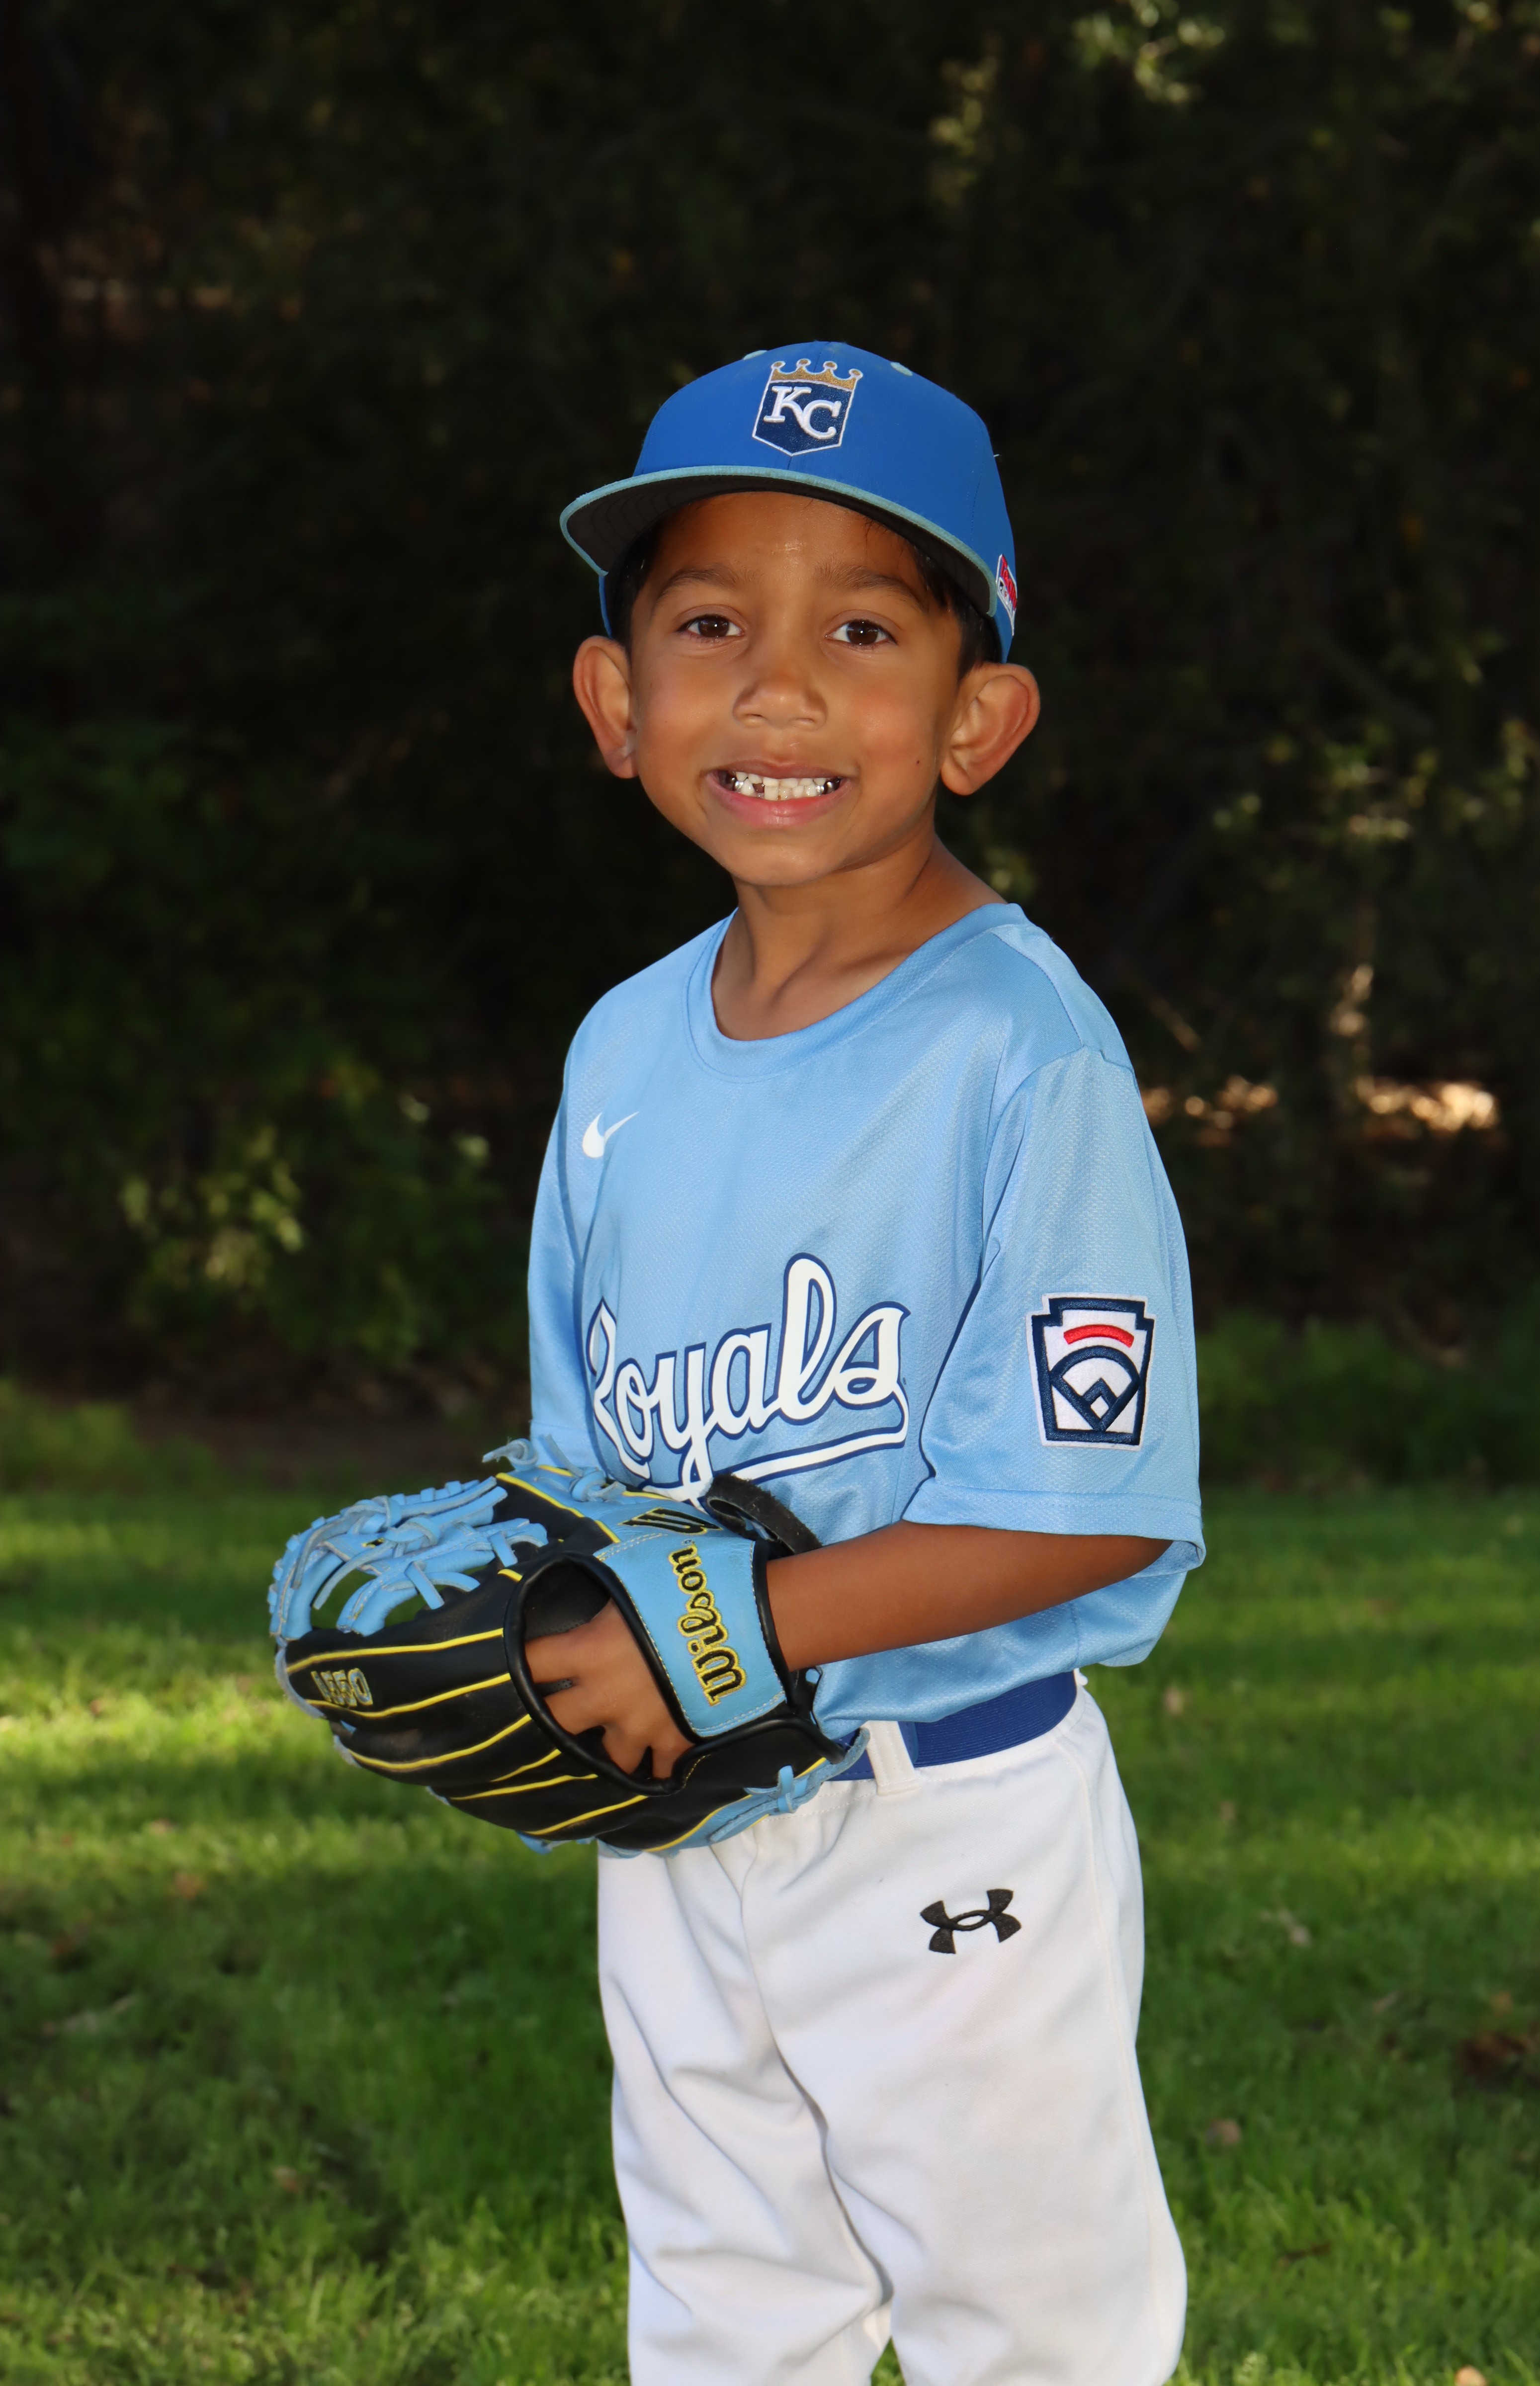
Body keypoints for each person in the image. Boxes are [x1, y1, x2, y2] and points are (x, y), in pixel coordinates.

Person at [527, 344, 1204, 2386]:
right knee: (725, 2313)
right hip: (688, 1815)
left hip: (946, 1808)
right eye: (708, 625)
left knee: (1028, 2334)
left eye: (861, 631)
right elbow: (588, 1471)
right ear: (614, 705)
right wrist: (536, 1630)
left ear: (976, 719)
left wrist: (712, 1638)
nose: (778, 690)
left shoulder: (1018, 1052)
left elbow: (1080, 1517)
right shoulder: (620, 1054)